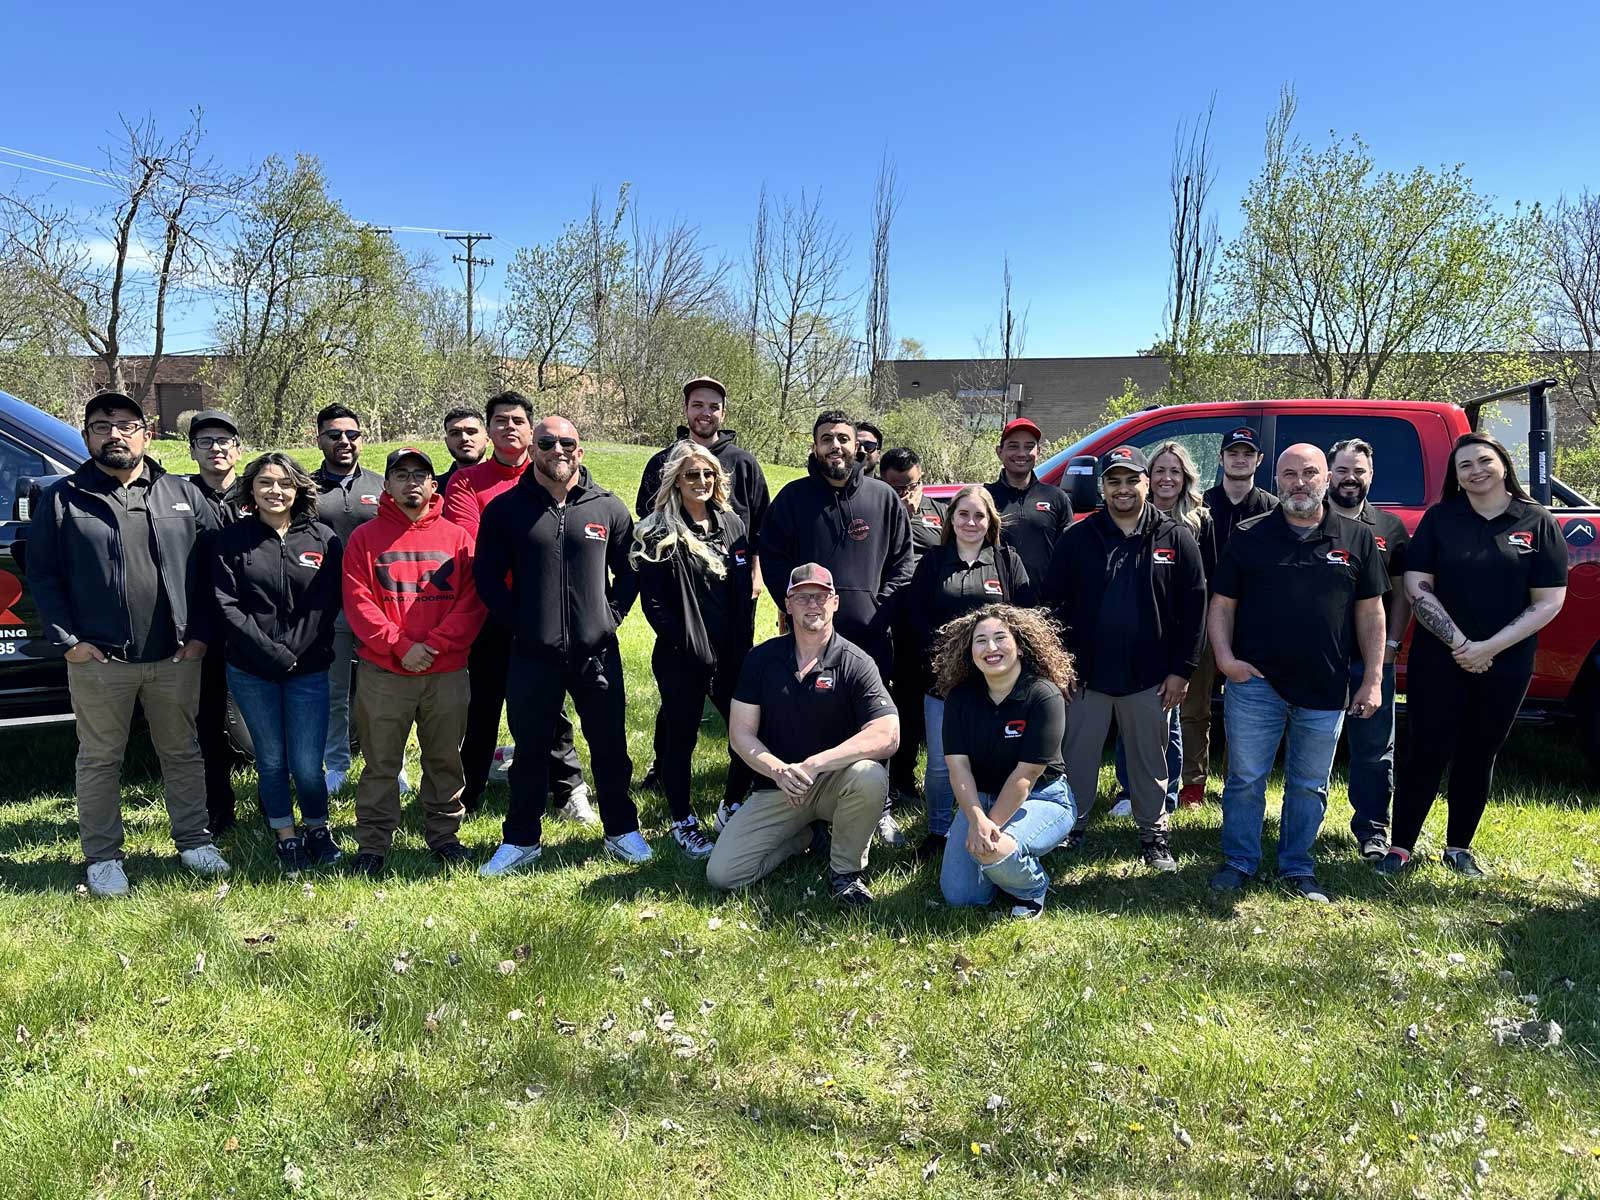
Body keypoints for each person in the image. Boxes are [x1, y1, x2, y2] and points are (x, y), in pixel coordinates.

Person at [26, 392, 229, 897]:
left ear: (146, 432)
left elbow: (213, 569)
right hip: (99, 660)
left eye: (124, 424)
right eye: (101, 425)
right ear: (87, 435)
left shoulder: (181, 492)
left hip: (176, 656)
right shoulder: (63, 497)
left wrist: (201, 634)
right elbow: (43, 576)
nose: (113, 433)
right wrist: (69, 641)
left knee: (182, 752)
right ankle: (103, 858)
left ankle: (195, 841)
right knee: (100, 759)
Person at [1379, 433, 1568, 879]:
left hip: (1506, 660)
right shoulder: (1440, 519)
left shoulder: (1537, 521)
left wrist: (1488, 648)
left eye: (1484, 460)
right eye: (1465, 466)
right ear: (1457, 478)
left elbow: (1549, 601)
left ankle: (1459, 847)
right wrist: (1461, 645)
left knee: (1480, 751)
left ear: (1503, 464)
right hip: (1440, 656)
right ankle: (1401, 846)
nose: (1476, 470)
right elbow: (1417, 587)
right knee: (1425, 748)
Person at [1207, 445, 1388, 902]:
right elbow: (1221, 605)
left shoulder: (1356, 537)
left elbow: (1372, 614)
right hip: (1256, 686)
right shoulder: (1249, 535)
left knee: (1309, 785)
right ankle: (1239, 861)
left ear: (1326, 478)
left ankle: (1296, 866)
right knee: (1246, 780)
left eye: (1310, 473)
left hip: (1326, 687)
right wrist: (1226, 661)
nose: (1299, 482)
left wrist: (1372, 679)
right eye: (1289, 474)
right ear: (1277, 480)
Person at [473, 416, 649, 873]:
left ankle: (621, 831)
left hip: (596, 655)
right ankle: (521, 839)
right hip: (531, 653)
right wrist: (520, 623)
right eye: (547, 441)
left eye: (567, 442)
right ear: (532, 450)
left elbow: (631, 570)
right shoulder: (506, 510)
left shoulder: (607, 507)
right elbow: (487, 579)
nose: (558, 450)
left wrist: (611, 616)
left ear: (580, 451)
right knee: (530, 749)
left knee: (610, 745)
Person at [1045, 446, 1205, 872]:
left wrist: (1181, 670)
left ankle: (1154, 835)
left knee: (1151, 761)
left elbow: (1195, 609)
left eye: (1131, 480)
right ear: (1103, 486)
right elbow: (1052, 607)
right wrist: (1059, 667)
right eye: (1113, 481)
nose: (1122, 489)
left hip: (1150, 678)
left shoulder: (1175, 537)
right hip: (1085, 677)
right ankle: (1070, 827)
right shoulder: (1079, 538)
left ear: (1147, 483)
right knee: (1076, 758)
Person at [758, 411, 913, 845]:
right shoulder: (792, 499)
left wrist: (880, 606)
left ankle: (878, 808)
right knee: (808, 718)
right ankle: (810, 806)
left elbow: (904, 561)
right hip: (807, 638)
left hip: (871, 637)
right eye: (826, 439)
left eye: (843, 438)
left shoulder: (884, 498)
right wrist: (794, 606)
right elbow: (772, 560)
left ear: (859, 446)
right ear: (814, 446)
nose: (836, 446)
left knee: (872, 721)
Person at [706, 564, 899, 905]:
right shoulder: (761, 659)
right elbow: (740, 733)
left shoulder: (857, 662)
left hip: (834, 783)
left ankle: (845, 873)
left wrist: (816, 764)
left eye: (822, 596)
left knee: (869, 775)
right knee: (723, 875)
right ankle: (804, 835)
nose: (813, 604)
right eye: (803, 596)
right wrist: (779, 770)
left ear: (835, 602)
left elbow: (888, 734)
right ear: (787, 604)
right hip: (777, 785)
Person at [443, 392, 592, 822]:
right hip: (492, 610)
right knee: (484, 706)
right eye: (500, 421)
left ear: (532, 431)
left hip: (548, 610)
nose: (509, 427)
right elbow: (472, 546)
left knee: (552, 707)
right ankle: (465, 797)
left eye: (518, 421)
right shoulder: (467, 482)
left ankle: (568, 791)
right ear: (489, 432)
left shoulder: (552, 470)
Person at [343, 448, 486, 875]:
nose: (411, 483)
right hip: (384, 671)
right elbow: (358, 602)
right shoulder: (364, 539)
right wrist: (401, 645)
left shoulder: (458, 539)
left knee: (444, 759)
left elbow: (472, 602)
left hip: (446, 671)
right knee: (380, 763)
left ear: (432, 484)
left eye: (419, 475)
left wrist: (436, 645)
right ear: (386, 485)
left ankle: (444, 836)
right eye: (401, 475)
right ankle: (373, 844)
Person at [212, 452, 343, 872]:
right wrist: (268, 652)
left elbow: (324, 606)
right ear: (251, 488)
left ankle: (318, 828)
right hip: (251, 670)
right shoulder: (230, 540)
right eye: (266, 482)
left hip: (308, 669)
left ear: (298, 489)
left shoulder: (324, 539)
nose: (275, 491)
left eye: (284, 483)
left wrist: (291, 653)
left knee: (307, 764)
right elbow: (226, 604)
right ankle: (285, 835)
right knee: (271, 761)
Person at [631, 442, 757, 856]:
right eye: (691, 475)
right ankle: (682, 819)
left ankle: (732, 803)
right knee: (680, 739)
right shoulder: (656, 530)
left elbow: (743, 594)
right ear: (675, 481)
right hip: (681, 655)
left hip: (730, 655)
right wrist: (689, 646)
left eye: (707, 474)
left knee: (746, 733)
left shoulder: (733, 524)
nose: (701, 482)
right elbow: (654, 604)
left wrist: (740, 648)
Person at [905, 484, 1032, 858]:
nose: (971, 522)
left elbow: (1025, 619)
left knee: (998, 757)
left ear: (991, 521)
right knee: (944, 764)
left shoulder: (1007, 561)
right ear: (951, 519)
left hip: (997, 683)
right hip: (944, 683)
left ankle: (993, 823)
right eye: (963, 514)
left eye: (979, 515)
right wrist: (949, 662)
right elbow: (915, 619)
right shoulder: (933, 562)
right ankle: (940, 831)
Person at [934, 604, 1076, 918]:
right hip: (980, 799)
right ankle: (1002, 868)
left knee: (994, 847)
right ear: (969, 651)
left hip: (1042, 797)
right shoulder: (960, 698)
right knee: (961, 896)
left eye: (1000, 637)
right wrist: (975, 818)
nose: (991, 647)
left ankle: (1031, 890)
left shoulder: (1044, 695)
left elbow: (1026, 776)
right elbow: (958, 768)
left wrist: (988, 827)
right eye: (980, 641)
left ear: (1020, 646)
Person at [1112, 440, 1214, 813]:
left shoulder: (1201, 521)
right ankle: (1129, 789)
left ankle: (1167, 790)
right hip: (1140, 634)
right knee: (1130, 711)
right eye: (1160, 470)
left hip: (1181, 635)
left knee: (1171, 716)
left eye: (1175, 470)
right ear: (1147, 478)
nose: (1167, 477)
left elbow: (1207, 586)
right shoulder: (1130, 519)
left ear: (1185, 477)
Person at [1179, 426, 1277, 808]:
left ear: (1259, 460)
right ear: (1221, 459)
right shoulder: (1201, 504)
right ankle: (1193, 784)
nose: (1240, 459)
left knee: (1246, 710)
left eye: (1247, 453)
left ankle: (1237, 782)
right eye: (1232, 453)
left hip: (1252, 623)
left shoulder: (1271, 509)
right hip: (1204, 619)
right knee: (1195, 706)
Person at [1327, 438, 1412, 859]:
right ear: (1329, 473)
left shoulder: (1389, 529)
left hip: (1370, 659)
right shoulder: (1310, 520)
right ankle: (1301, 824)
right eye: (1342, 470)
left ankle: (1372, 831)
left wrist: (1391, 647)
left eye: (1358, 471)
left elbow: (1401, 595)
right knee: (1310, 748)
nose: (1350, 479)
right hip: (1318, 659)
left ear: (1371, 475)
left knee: (1375, 751)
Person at [635, 376, 771, 593]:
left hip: (734, 577)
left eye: (714, 407)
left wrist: (757, 574)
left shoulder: (744, 464)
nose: (705, 413)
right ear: (686, 409)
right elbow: (647, 519)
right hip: (678, 579)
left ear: (723, 413)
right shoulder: (662, 463)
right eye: (697, 405)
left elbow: (762, 525)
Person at [311, 403, 386, 794]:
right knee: (335, 690)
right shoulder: (305, 489)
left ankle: (389, 765)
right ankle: (336, 764)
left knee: (384, 693)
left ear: (362, 439)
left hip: (380, 606)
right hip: (329, 606)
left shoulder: (382, 485)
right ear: (319, 438)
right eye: (334, 434)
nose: (344, 441)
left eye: (352, 435)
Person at [187, 409, 248, 834]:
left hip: (255, 625)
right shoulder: (176, 496)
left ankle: (273, 805)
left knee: (265, 723)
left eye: (225, 440)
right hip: (204, 625)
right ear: (192, 451)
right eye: (206, 441)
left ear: (238, 450)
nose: (216, 448)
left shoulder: (261, 490)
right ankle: (218, 807)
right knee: (208, 721)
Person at [880, 447, 945, 805]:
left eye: (912, 486)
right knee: (897, 700)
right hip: (890, 620)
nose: (906, 495)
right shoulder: (877, 513)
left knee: (924, 699)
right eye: (896, 488)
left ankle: (911, 776)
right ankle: (895, 778)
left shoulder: (940, 515)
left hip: (931, 624)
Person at [983, 416, 1072, 590]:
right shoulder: (984, 498)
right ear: (999, 451)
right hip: (997, 603)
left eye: (1029, 446)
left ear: (1039, 451)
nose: (1022, 453)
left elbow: (1069, 556)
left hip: (1044, 607)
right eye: (1013, 446)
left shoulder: (1057, 498)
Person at [438, 404, 488, 495]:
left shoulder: (511, 484)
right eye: (455, 433)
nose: (464, 438)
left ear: (487, 439)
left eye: (471, 432)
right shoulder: (434, 490)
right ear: (446, 442)